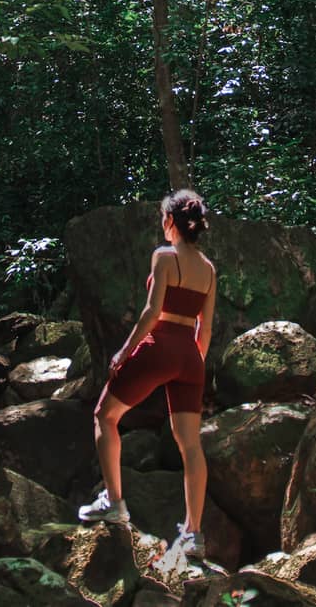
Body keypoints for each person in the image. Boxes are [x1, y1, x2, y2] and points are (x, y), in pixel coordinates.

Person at [78, 189, 216, 561]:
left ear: (171, 221)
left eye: (162, 219)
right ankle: (194, 534)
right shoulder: (208, 268)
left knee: (105, 416)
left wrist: (125, 351)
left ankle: (115, 504)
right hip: (190, 355)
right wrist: (190, 367)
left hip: (161, 345)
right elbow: (205, 332)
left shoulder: (164, 256)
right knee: (190, 444)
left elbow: (152, 312)